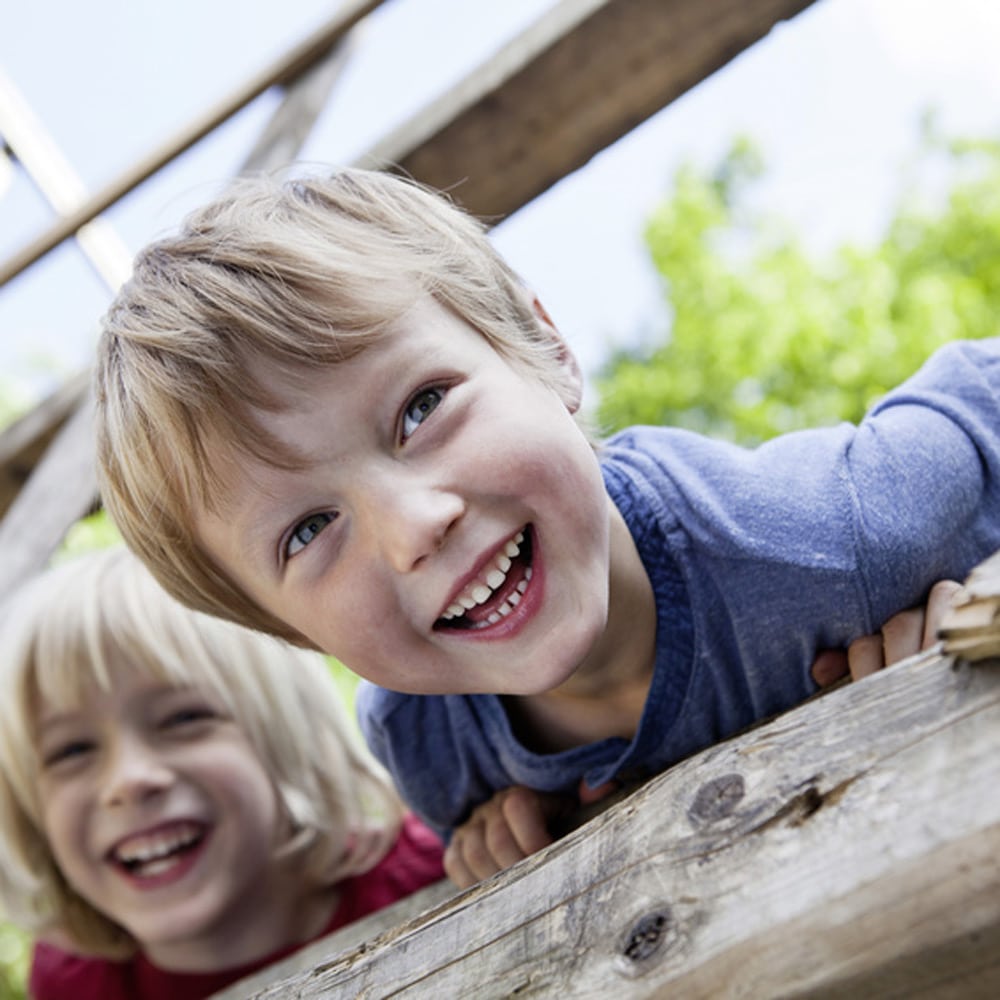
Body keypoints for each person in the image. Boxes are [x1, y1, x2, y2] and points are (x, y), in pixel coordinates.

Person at [92, 168, 1000, 888]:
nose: (415, 527)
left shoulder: (836, 533)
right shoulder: (434, 754)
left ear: (548, 352)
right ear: (291, 632)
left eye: (420, 408)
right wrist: (519, 836)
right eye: (306, 531)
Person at [0, 547, 444, 1000]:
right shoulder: (74, 984)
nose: (129, 780)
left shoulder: (439, 870)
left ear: (288, 735)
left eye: (182, 719)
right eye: (71, 750)